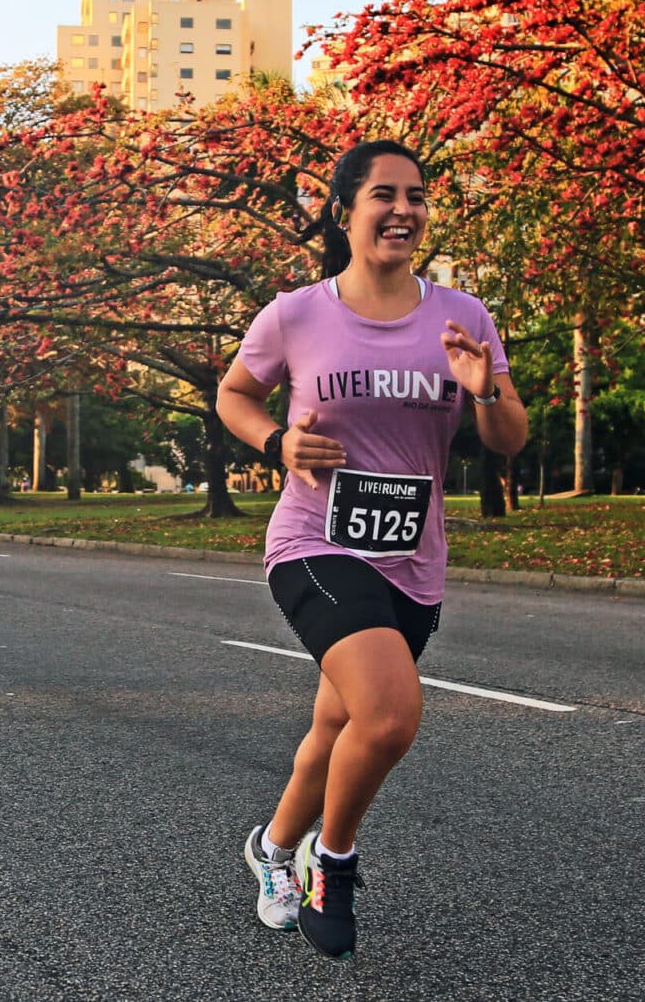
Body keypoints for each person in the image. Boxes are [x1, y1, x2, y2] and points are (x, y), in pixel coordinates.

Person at [216, 140, 526, 959]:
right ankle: (334, 858)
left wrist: (482, 384)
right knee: (388, 716)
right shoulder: (298, 312)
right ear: (344, 210)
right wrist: (277, 440)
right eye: (384, 193)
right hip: (315, 540)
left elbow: (508, 437)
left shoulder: (463, 316)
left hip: (411, 559)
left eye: (417, 195)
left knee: (339, 723)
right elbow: (235, 393)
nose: (404, 209)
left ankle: (273, 847)